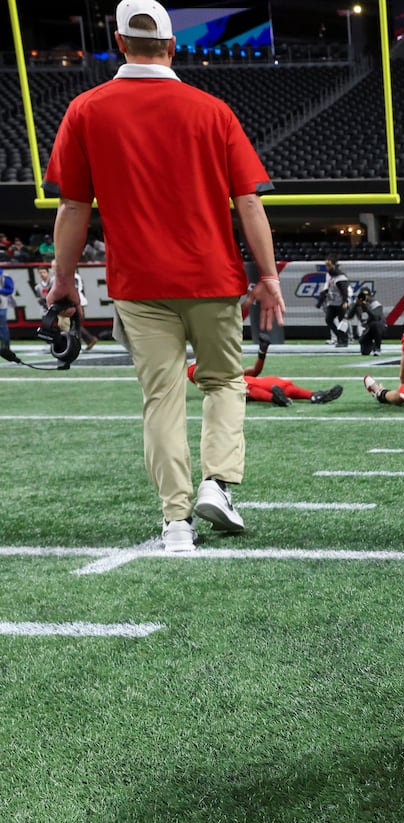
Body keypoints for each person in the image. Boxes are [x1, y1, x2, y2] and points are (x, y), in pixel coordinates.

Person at [44, 0, 282, 553]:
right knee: (223, 382)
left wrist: (62, 280)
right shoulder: (213, 111)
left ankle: (176, 522)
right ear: (173, 46)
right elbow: (248, 202)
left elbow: (73, 207)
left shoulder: (85, 109)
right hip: (212, 276)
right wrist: (269, 276)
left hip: (138, 282)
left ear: (120, 43)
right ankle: (217, 483)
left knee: (162, 398)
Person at [188, 349, 342, 406]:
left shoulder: (224, 366)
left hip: (243, 382)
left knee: (278, 383)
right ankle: (275, 399)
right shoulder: (195, 370)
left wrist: (262, 353)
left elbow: (254, 371)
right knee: (249, 387)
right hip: (234, 389)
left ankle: (314, 395)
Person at [344, 284, 386, 356]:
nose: (365, 297)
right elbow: (349, 316)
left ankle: (377, 348)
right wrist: (355, 305)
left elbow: (376, 317)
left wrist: (366, 307)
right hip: (366, 328)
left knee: (375, 324)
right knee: (364, 351)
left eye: (367, 295)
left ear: (370, 295)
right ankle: (371, 345)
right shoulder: (357, 303)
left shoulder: (375, 303)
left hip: (379, 326)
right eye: (363, 295)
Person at [318, 258, 352, 347]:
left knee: (342, 322)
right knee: (329, 319)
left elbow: (344, 291)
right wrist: (320, 301)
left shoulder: (340, 277)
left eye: (328, 266)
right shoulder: (331, 277)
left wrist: (345, 301)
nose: (327, 268)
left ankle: (344, 340)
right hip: (332, 303)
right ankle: (339, 336)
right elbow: (327, 289)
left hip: (340, 302)